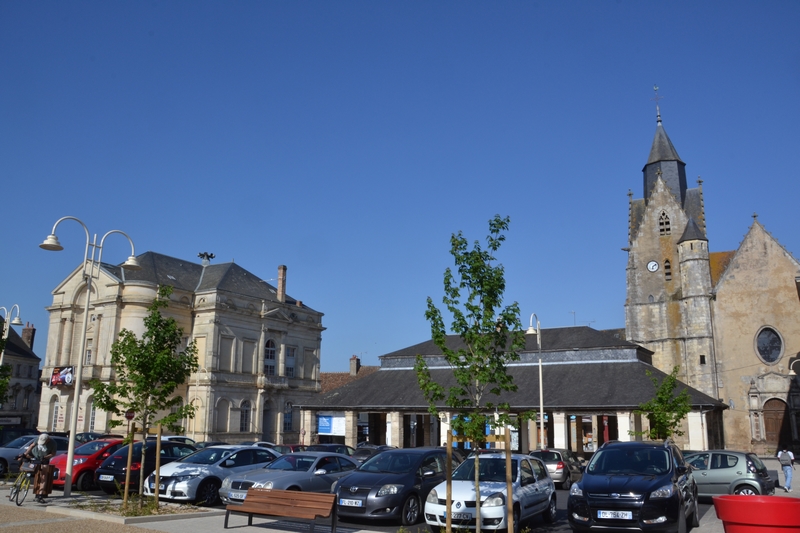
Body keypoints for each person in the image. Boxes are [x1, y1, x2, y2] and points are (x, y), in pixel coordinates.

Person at [21, 433, 57, 503]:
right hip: (34, 454)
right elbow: (32, 446)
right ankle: (19, 483)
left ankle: (40, 494)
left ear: (48, 440)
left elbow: (53, 453)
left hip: (44, 458)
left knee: (44, 474)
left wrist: (45, 457)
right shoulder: (39, 438)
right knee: (24, 465)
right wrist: (25, 454)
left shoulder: (53, 443)